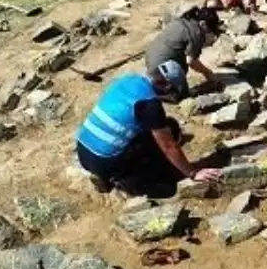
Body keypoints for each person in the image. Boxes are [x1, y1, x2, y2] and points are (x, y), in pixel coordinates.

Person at [75, 68, 222, 197]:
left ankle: (108, 174)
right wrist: (193, 173)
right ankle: (122, 181)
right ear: (166, 86)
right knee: (167, 187)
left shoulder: (129, 79)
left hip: (83, 149)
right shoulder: (149, 105)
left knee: (169, 126)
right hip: (104, 160)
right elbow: (168, 146)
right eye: (173, 91)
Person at [145, 6, 223, 100]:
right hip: (162, 69)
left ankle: (158, 83)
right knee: (183, 96)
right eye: (210, 29)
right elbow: (191, 62)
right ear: (203, 23)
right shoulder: (196, 33)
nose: (209, 32)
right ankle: (167, 93)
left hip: (150, 59)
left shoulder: (183, 20)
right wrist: (207, 73)